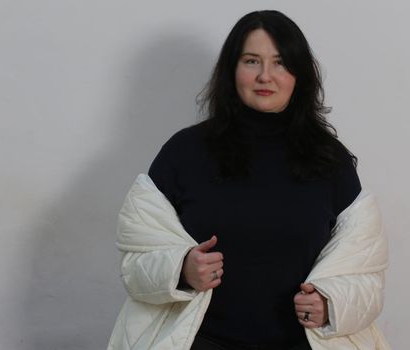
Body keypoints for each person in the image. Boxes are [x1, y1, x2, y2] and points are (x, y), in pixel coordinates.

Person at [108, 10, 389, 350]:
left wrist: (331, 304)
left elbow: (366, 275)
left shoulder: (331, 161)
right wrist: (180, 270)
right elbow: (134, 260)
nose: (265, 76)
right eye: (252, 61)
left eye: (281, 62)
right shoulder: (184, 153)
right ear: (232, 70)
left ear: (298, 74)